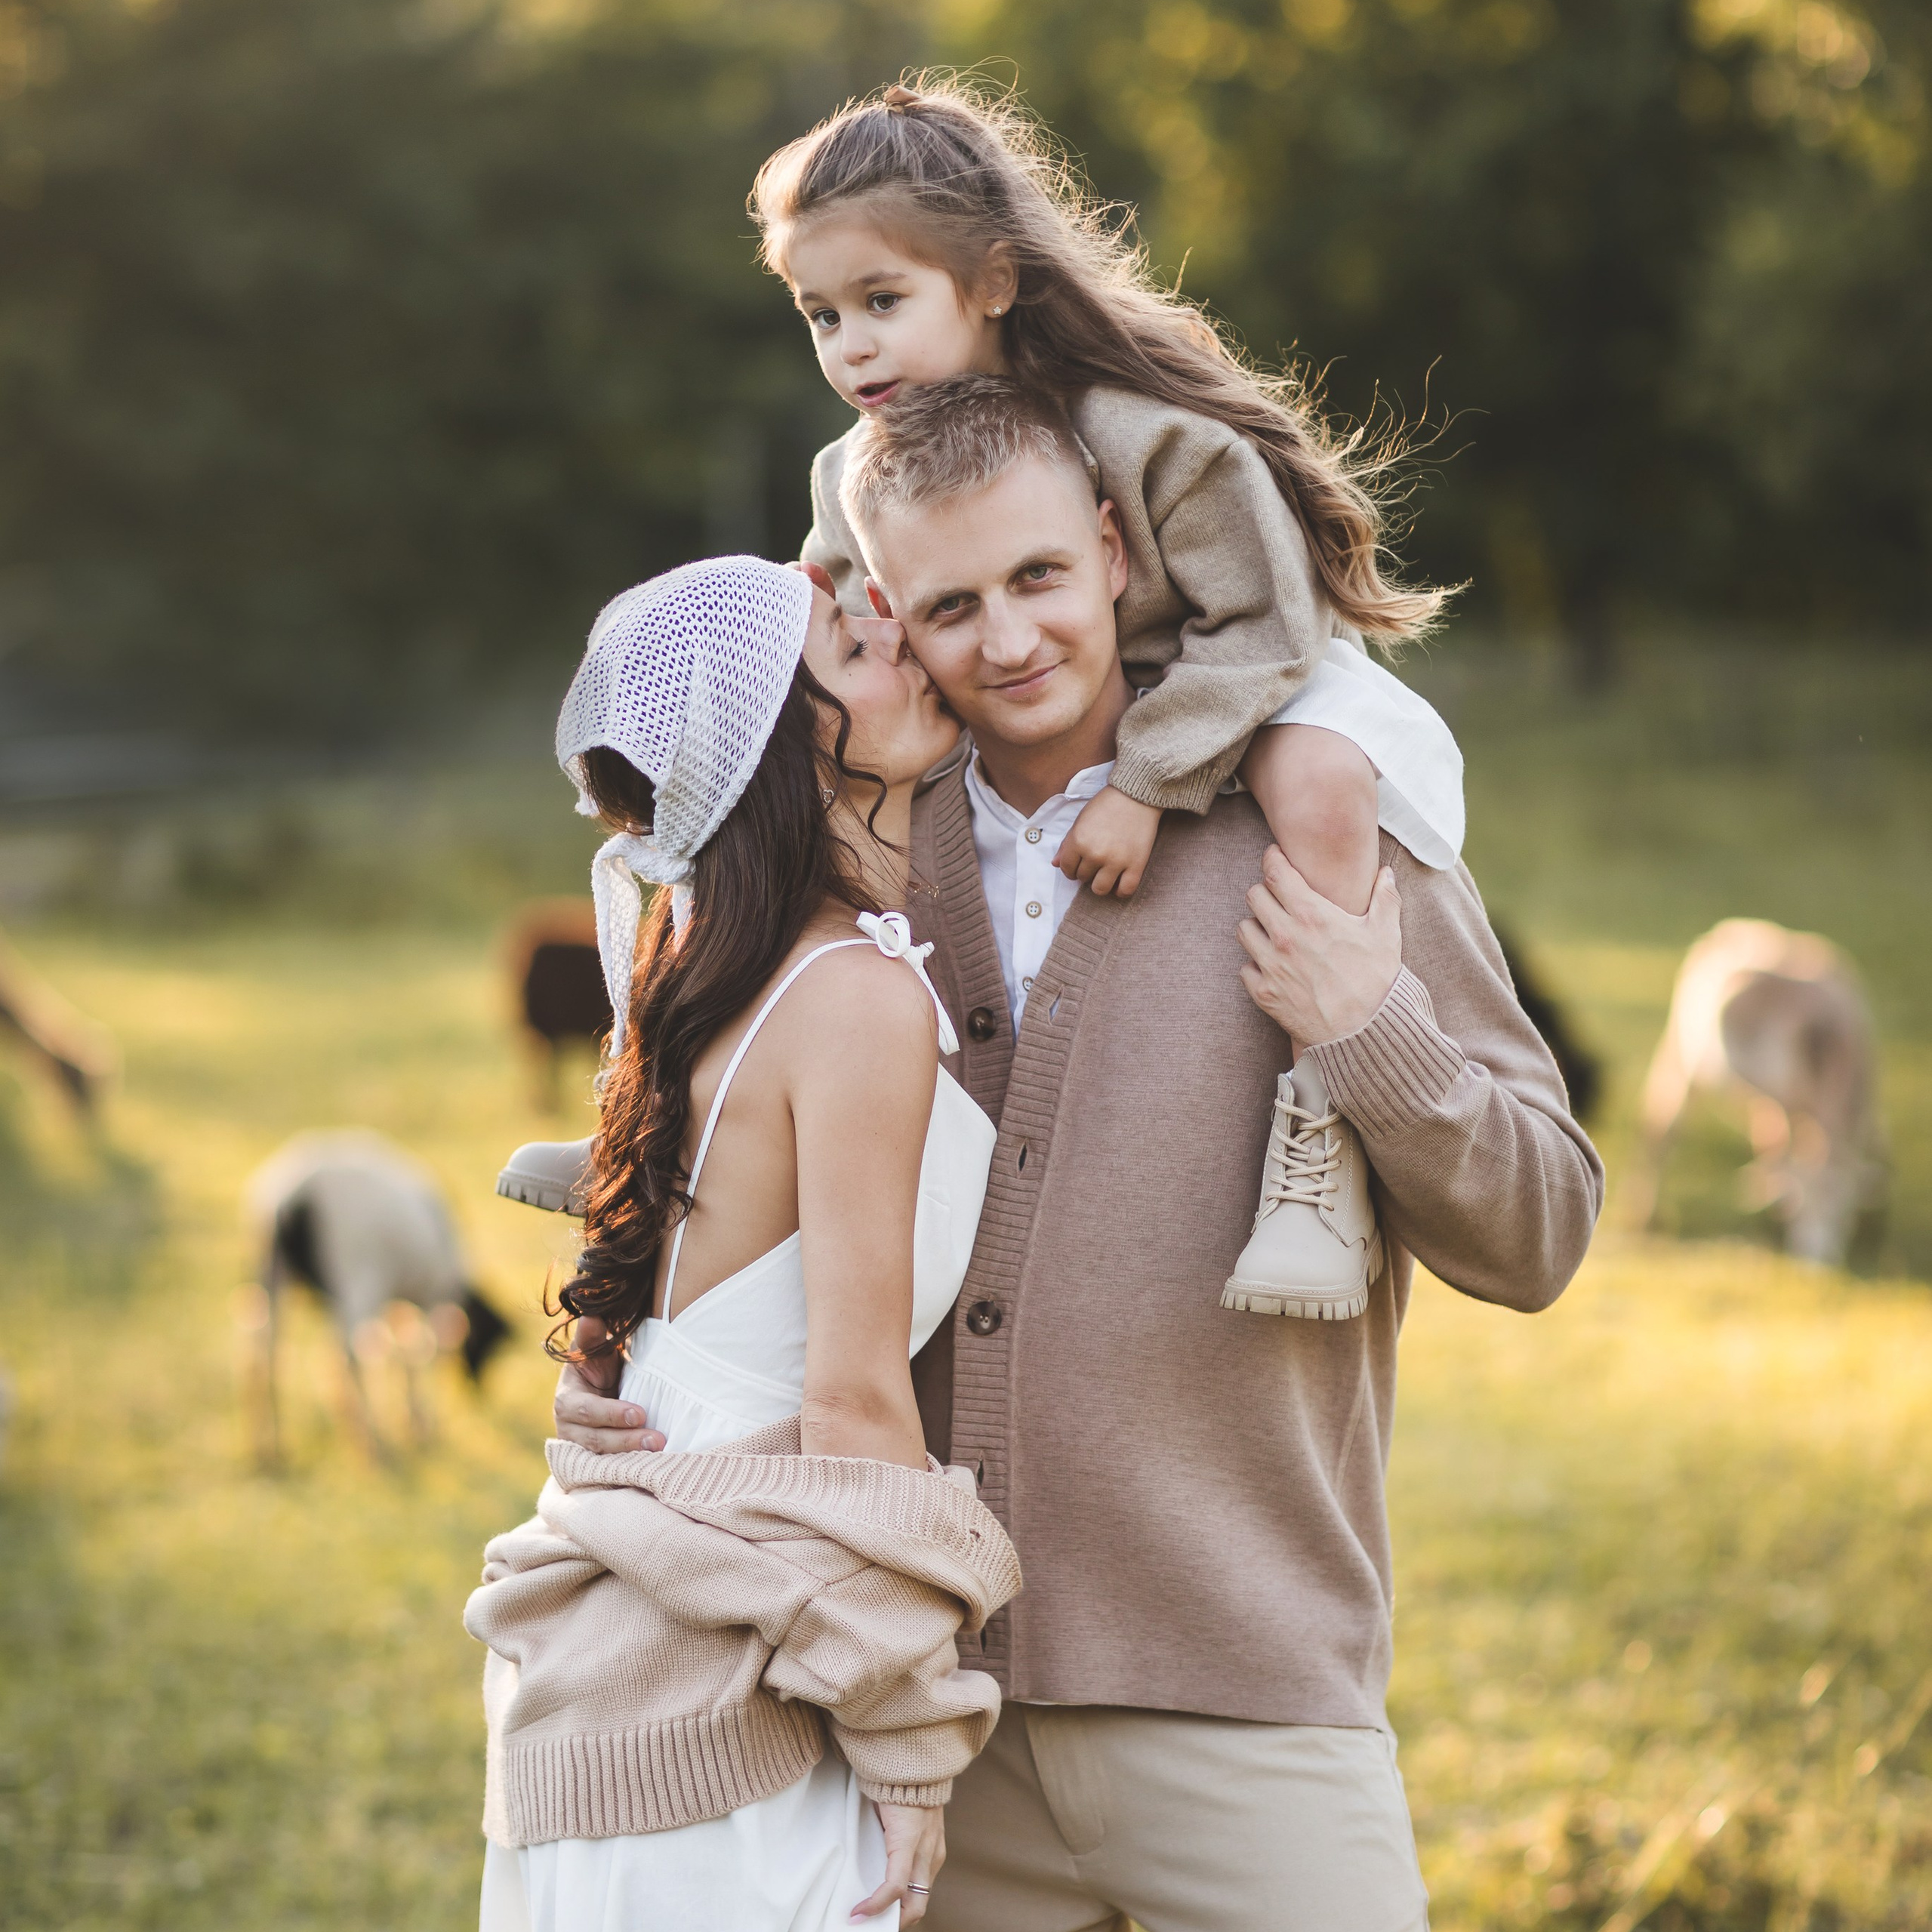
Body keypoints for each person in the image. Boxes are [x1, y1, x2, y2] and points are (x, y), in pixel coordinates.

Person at [558, 378, 1604, 1931]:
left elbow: (1540, 1232)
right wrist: (622, 1377)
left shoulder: (1322, 832)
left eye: (1040, 575)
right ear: (889, 618)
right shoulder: (848, 859)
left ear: (1113, 553)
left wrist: (1366, 1026)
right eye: (949, 606)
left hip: (1248, 1706)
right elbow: (715, 1169)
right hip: (915, 1743)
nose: (1008, 640)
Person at [501, 76, 1466, 1322]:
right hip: (1019, 718)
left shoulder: (1153, 436)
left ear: (993, 282)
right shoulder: (852, 474)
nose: (851, 347)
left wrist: (1146, 781)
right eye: (821, 316)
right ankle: (667, 1109)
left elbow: (1270, 620)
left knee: (1323, 777)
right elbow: (822, 650)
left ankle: (1318, 1153)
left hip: (1232, 679)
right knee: (770, 810)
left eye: (882, 302)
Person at [469, 554, 1021, 1932]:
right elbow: (851, 1403)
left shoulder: (704, 953)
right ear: (787, 740)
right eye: (851, 643)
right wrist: (910, 1732)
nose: (898, 641)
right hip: (737, 1648)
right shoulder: (852, 996)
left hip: (644, 1625)